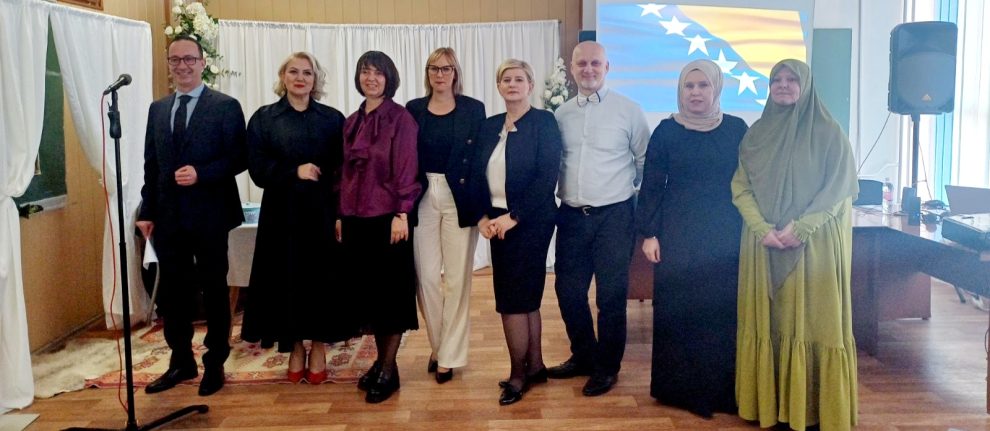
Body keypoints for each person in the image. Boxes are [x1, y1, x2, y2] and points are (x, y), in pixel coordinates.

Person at [733, 59, 859, 430]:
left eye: (792, 79)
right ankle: (770, 405)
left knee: (814, 324)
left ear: (806, 86)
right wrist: (761, 228)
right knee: (771, 322)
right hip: (763, 245)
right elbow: (741, 187)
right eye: (777, 79)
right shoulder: (756, 135)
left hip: (813, 247)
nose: (783, 85)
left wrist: (801, 228)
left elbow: (839, 189)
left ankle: (814, 409)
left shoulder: (828, 132)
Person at [634, 59, 748, 416]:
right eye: (689, 86)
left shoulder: (736, 129)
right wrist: (649, 233)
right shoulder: (666, 131)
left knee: (719, 310)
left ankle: (721, 391)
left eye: (703, 85)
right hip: (677, 234)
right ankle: (679, 390)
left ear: (717, 88)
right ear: (680, 90)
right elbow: (652, 185)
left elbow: (750, 181)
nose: (696, 92)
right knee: (680, 309)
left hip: (724, 233)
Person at [136, 34, 246, 396]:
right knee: (173, 292)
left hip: (211, 214)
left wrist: (202, 173)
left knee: (214, 288)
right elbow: (151, 165)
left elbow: (239, 158)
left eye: (189, 59)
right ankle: (181, 360)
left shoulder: (225, 106)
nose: (182, 66)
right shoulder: (157, 109)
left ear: (202, 63)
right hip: (168, 216)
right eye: (175, 60)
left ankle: (215, 362)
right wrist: (147, 210)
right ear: (169, 65)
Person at [240, 52, 353, 385]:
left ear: (316, 80)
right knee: (286, 281)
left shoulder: (333, 119)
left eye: (307, 73)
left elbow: (344, 170)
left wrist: (341, 214)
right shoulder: (264, 118)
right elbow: (257, 168)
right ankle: (295, 347)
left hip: (322, 213)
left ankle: (317, 345)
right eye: (294, 72)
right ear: (283, 76)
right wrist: (294, 171)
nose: (300, 78)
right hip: (281, 214)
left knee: (321, 282)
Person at [548, 41, 650, 396]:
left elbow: (644, 162)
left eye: (595, 63)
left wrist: (627, 194)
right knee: (568, 291)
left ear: (607, 67)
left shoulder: (629, 110)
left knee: (611, 297)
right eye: (582, 64)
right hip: (572, 216)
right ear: (572, 69)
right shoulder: (561, 114)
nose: (588, 69)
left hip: (614, 217)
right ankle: (584, 356)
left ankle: (607, 367)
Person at [466, 59, 561, 406]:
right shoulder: (490, 126)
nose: (512, 84)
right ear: (498, 86)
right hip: (497, 221)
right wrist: (482, 217)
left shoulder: (544, 122)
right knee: (523, 298)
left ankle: (517, 375)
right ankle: (535, 366)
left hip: (530, 221)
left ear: (530, 85)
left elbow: (546, 177)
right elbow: (476, 175)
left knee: (513, 300)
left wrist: (514, 217)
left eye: (519, 79)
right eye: (506, 79)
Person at [338, 51, 421, 404]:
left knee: (391, 297)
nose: (371, 78)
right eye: (365, 72)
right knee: (369, 296)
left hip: (388, 219)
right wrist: (340, 214)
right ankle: (383, 364)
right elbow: (343, 172)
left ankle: (387, 369)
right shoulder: (351, 122)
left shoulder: (401, 119)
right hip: (356, 220)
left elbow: (407, 168)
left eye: (378, 73)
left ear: (389, 78)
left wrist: (402, 213)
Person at [405, 47, 486, 384]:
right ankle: (439, 347)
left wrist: (482, 209)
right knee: (425, 278)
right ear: (427, 73)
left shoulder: (473, 109)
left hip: (459, 196)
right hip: (423, 195)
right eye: (434, 68)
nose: (440, 74)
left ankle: (449, 356)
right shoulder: (413, 109)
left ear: (456, 72)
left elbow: (480, 160)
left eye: (446, 68)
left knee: (456, 279)